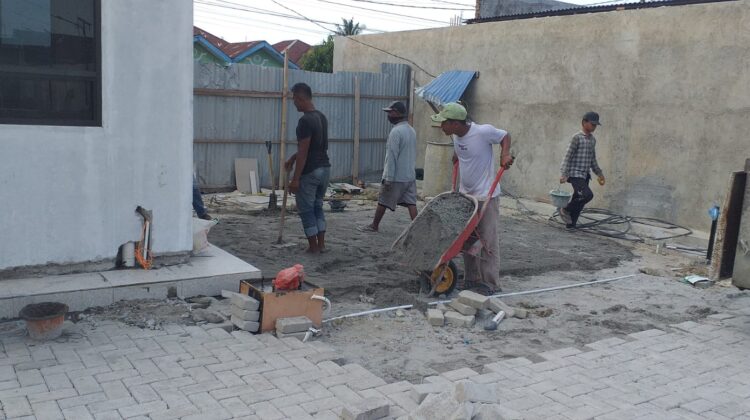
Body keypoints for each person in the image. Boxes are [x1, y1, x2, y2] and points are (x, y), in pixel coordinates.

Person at [431, 102, 512, 294]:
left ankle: (491, 284)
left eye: (444, 123)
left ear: (455, 123)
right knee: (467, 240)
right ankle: (472, 279)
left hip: (486, 195)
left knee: (487, 241)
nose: (441, 126)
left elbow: (505, 135)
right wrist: (457, 155)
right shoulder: (456, 136)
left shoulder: (482, 132)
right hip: (466, 196)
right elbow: (464, 149)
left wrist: (505, 153)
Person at [285, 82, 331, 253]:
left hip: (311, 171)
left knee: (306, 209)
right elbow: (315, 146)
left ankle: (313, 247)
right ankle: (321, 244)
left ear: (300, 97)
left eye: (294, 99)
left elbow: (304, 152)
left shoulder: (304, 121)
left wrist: (295, 179)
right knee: (318, 206)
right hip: (325, 169)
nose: (293, 103)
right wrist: (292, 157)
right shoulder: (321, 117)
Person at [358, 101, 418, 232]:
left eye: (390, 112)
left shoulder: (396, 132)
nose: (388, 115)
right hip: (409, 176)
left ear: (397, 113)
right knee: (411, 203)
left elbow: (391, 157)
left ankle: (374, 225)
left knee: (383, 200)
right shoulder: (411, 130)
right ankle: (418, 229)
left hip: (396, 176)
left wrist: (388, 178)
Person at [559, 111, 605, 229]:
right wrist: (564, 174)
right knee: (587, 195)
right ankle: (565, 209)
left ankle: (571, 225)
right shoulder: (577, 137)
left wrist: (599, 173)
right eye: (592, 124)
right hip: (575, 174)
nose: (594, 127)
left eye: (595, 125)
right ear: (584, 122)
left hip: (585, 175)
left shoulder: (592, 140)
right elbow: (567, 156)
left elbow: (592, 160)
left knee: (578, 200)